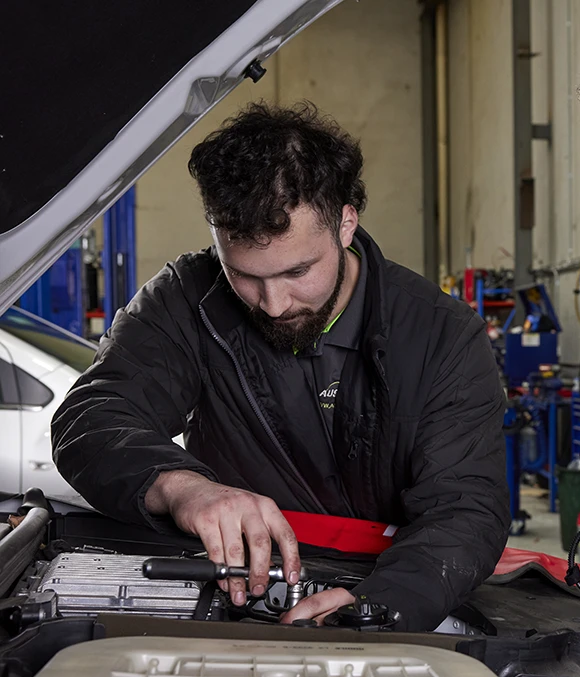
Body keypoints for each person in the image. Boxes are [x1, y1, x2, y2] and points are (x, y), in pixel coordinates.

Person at [50, 102, 510, 631]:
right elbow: (91, 417)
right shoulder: (186, 299)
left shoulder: (441, 334)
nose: (272, 304)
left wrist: (382, 608)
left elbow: (465, 506)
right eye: (244, 275)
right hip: (236, 588)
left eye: (297, 271)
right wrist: (181, 486)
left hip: (389, 588)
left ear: (345, 222)